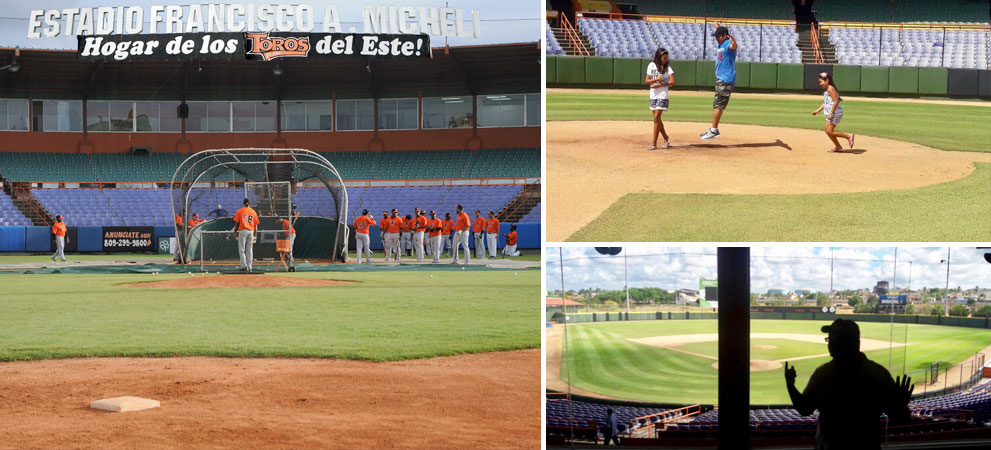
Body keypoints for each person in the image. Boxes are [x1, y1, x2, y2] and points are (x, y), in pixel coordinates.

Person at [784, 318, 914, 450]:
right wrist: (901, 406)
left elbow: (804, 409)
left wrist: (790, 385)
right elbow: (900, 419)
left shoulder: (823, 374)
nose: (830, 344)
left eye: (833, 339)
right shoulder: (878, 374)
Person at [700, 25, 738, 141]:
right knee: (717, 104)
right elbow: (722, 32)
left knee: (718, 105)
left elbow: (733, 46)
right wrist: (718, 27)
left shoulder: (727, 44)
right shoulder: (721, 44)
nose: (716, 38)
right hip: (721, 78)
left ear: (724, 36)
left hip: (725, 79)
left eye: (718, 36)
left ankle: (714, 130)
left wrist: (733, 40)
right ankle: (713, 129)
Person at [812, 72, 855, 153]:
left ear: (827, 80)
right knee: (827, 130)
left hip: (835, 113)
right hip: (831, 113)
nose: (820, 84)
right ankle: (838, 147)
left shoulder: (830, 89)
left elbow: (836, 102)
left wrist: (831, 113)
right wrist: (818, 110)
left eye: (821, 81)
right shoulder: (827, 90)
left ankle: (849, 136)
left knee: (829, 131)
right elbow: (826, 103)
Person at [646, 47, 675, 150]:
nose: (665, 60)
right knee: (657, 120)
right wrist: (656, 80)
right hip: (653, 94)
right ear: (658, 57)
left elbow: (672, 81)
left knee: (656, 118)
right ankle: (666, 138)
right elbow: (647, 81)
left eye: (666, 58)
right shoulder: (651, 65)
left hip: (663, 94)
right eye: (664, 58)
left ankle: (654, 144)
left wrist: (662, 84)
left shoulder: (667, 68)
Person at [232, 198, 259, 272]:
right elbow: (256, 226)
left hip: (243, 230)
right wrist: (255, 235)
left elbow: (237, 223)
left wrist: (235, 232)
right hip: (251, 231)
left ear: (243, 204)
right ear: (249, 204)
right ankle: (250, 267)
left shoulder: (240, 211)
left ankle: (244, 266)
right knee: (249, 250)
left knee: (242, 249)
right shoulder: (253, 212)